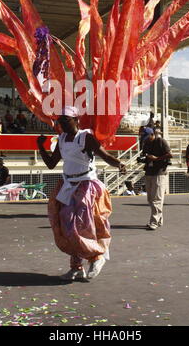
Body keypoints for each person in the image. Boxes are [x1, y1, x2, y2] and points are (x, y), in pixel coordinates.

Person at [37, 106, 126, 282]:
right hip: (68, 185)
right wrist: (41, 146)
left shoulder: (85, 137)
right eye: (60, 120)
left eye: (66, 120)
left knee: (82, 225)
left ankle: (96, 257)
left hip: (86, 185)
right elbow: (51, 164)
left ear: (76, 120)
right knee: (67, 227)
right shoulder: (61, 139)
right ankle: (76, 267)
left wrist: (119, 164)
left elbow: (105, 155)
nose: (62, 123)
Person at [139, 127, 172, 230]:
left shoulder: (160, 141)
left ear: (152, 134)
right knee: (150, 199)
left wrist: (157, 158)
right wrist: (143, 158)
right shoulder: (146, 143)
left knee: (157, 199)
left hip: (159, 172)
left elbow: (170, 154)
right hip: (149, 171)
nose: (145, 139)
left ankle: (153, 222)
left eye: (146, 136)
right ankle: (159, 219)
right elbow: (144, 154)